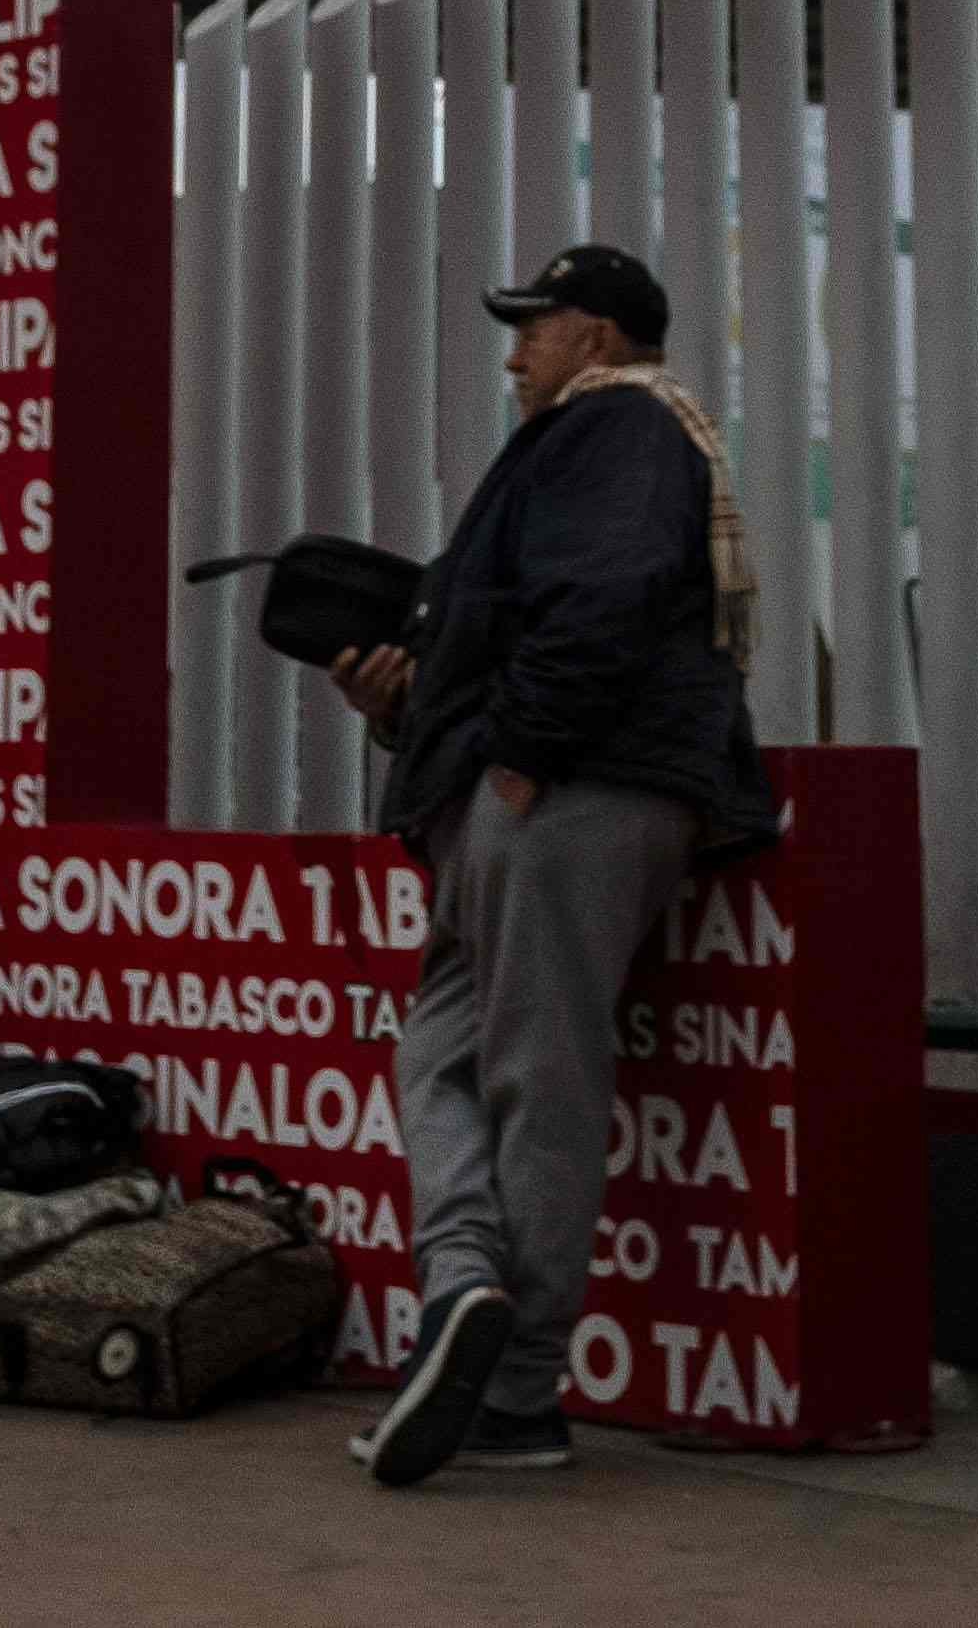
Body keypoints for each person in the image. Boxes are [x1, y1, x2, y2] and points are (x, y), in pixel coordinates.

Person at [332, 241, 778, 1485]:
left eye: (533, 325)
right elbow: (529, 625)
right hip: (543, 783)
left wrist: (518, 759)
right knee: (442, 1051)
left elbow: (605, 598)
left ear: (593, 334)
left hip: (566, 790)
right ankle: (467, 1292)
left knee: (536, 1073)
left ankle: (515, 1384)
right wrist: (401, 701)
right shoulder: (605, 440)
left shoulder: (618, 428)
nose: (513, 350)